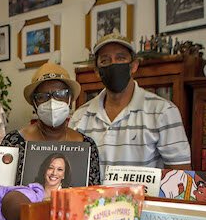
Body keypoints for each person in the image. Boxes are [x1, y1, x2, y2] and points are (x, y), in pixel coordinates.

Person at [70, 34, 191, 176]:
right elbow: (72, 170)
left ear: (134, 65)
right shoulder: (80, 116)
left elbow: (180, 174)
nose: (113, 64)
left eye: (120, 58)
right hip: (94, 198)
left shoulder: (163, 111)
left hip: (144, 198)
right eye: (105, 60)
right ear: (97, 71)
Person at [1, 62, 101, 187]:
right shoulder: (14, 142)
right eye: (43, 96)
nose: (52, 102)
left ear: (70, 100)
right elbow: (0, 192)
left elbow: (94, 195)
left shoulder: (86, 145)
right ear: (34, 103)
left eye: (60, 94)